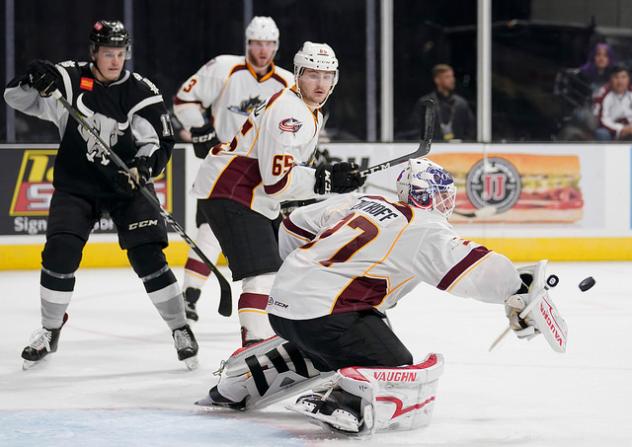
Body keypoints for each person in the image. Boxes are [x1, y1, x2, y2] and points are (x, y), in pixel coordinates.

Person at [196, 158, 568, 435]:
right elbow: (475, 268)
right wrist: (517, 291)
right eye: (443, 198)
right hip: (322, 316)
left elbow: (293, 226)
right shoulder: (423, 228)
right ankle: (347, 401)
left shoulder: (362, 202)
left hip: (281, 310)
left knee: (362, 328)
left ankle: (245, 379)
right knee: (395, 363)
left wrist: (305, 274)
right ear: (437, 198)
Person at [3, 20, 199, 370]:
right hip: (77, 186)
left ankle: (179, 328)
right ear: (94, 52)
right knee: (60, 252)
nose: (114, 60)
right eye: (108, 53)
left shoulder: (141, 91)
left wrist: (143, 167)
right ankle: (50, 330)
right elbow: (14, 97)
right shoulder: (68, 79)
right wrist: (30, 79)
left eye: (120, 54)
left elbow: (158, 141)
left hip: (126, 186)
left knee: (148, 255)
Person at [190, 41, 366, 346]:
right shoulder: (291, 112)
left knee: (281, 271)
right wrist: (325, 181)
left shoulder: (307, 110)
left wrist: (322, 176)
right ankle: (254, 348)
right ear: (297, 75)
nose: (321, 83)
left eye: (327, 76)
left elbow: (282, 173)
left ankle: (272, 337)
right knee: (263, 274)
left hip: (247, 193)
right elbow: (277, 181)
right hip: (233, 189)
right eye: (312, 74)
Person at [173, 17, 293, 323]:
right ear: (248, 44)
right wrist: (201, 131)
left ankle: (275, 300)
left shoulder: (287, 81)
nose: (263, 50)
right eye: (257, 43)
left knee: (270, 240)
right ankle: (189, 296)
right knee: (208, 230)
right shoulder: (224, 68)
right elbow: (184, 100)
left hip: (265, 173)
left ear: (276, 46)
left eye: (269, 44)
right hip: (223, 169)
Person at [407, 64, 475, 141]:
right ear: (437, 80)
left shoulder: (461, 104)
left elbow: (470, 130)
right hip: (433, 150)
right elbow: (415, 129)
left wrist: (464, 144)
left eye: (452, 76)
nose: (452, 80)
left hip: (458, 150)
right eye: (447, 77)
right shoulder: (426, 103)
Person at [593, 66, 632, 141]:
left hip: (630, 129)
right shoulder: (603, 93)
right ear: (610, 79)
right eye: (616, 77)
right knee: (601, 133)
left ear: (629, 79)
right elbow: (601, 120)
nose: (620, 81)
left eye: (623, 77)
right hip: (611, 130)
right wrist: (621, 129)